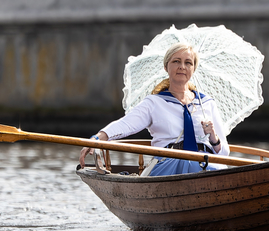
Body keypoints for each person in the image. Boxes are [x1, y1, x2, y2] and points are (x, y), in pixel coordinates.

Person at [79, 42, 230, 175]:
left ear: (193, 69)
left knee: (223, 173)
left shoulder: (206, 103)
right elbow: (125, 124)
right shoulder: (154, 102)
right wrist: (97, 138)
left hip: (204, 164)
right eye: (176, 61)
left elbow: (224, 154)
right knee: (186, 163)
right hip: (168, 164)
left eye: (188, 63)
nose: (182, 67)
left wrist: (213, 138)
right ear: (166, 66)